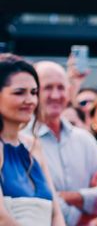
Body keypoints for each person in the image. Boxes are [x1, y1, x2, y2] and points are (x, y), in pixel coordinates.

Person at [32, 60, 97, 225]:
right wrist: (86, 207)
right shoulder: (23, 141)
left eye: (61, 87)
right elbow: (41, 201)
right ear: (34, 91)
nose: (56, 95)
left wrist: (70, 196)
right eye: (48, 88)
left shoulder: (84, 139)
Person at [0, 54, 64, 226]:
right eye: (19, 93)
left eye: (34, 92)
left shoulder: (34, 146)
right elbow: (2, 218)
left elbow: (56, 214)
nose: (30, 101)